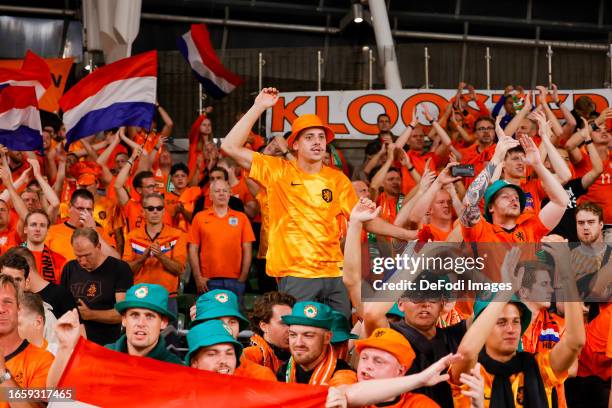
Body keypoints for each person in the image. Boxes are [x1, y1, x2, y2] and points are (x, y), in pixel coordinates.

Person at [221, 88, 414, 319]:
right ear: (295, 145)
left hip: (335, 273)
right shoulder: (276, 170)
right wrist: (259, 106)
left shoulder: (338, 179)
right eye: (309, 137)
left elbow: (367, 222)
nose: (317, 142)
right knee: (303, 337)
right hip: (296, 273)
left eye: (321, 137)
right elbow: (230, 146)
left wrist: (410, 235)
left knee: (340, 337)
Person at [450, 247, 585, 407]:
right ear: (484, 329)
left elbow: (575, 341)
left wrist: (567, 273)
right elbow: (466, 352)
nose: (511, 329)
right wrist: (506, 292)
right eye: (501, 322)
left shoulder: (540, 368)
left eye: (516, 321)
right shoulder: (472, 375)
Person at [325, 328, 476, 408]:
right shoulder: (346, 376)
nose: (367, 366)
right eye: (364, 358)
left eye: (378, 361)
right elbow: (344, 394)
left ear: (401, 371)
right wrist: (420, 379)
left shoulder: (419, 404)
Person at [460, 132, 569, 243]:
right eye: (505, 196)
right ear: (491, 207)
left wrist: (537, 164)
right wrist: (497, 158)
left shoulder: (530, 230)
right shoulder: (481, 231)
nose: (513, 199)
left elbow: (561, 202)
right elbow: (469, 202)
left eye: (517, 198)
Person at [60, 227, 133, 345]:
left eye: (87, 255)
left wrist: (91, 314)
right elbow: (62, 306)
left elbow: (123, 314)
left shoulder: (119, 268)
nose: (83, 261)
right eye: (78, 256)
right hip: (75, 343)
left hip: (108, 344)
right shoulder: (70, 268)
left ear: (98, 247)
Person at [190, 289, 278, 381]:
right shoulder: (183, 379)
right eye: (217, 322)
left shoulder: (261, 377)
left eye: (232, 322)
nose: (227, 329)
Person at [123, 193, 187, 315]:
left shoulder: (177, 235)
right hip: (140, 295)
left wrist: (161, 256)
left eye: (159, 208)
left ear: (164, 211)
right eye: (151, 208)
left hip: (167, 296)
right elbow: (126, 272)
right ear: (143, 212)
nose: (155, 211)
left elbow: (180, 269)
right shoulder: (132, 237)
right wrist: (142, 259)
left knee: (168, 334)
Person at [188, 179, 255, 296]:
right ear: (210, 195)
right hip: (207, 280)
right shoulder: (199, 218)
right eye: (217, 191)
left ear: (230, 194)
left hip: (235, 281)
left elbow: (247, 249)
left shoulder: (242, 218)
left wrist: (243, 278)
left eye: (225, 191)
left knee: (233, 314)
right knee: (209, 314)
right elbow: (193, 249)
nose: (222, 194)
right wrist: (198, 277)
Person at [0, 274, 54, 407]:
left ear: (18, 309)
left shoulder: (43, 360)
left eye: (7, 302)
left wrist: (3, 374)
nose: (1, 309)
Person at [278, 301, 357, 386]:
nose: (298, 343)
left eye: (308, 335)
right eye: (293, 335)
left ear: (327, 338)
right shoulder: (284, 370)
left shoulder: (342, 374)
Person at [45, 189, 119, 272]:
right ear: (69, 207)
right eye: (80, 208)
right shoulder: (52, 231)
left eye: (89, 209)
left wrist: (93, 230)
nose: (84, 213)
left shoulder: (101, 232)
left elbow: (116, 262)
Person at [243, 291, 295, 372]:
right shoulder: (250, 356)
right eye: (283, 323)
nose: (291, 329)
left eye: (292, 323)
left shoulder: (297, 353)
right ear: (264, 326)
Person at [22, 210, 66, 284]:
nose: (38, 229)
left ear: (47, 230)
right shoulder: (13, 256)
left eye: (42, 225)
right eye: (33, 225)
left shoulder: (60, 261)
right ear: (25, 229)